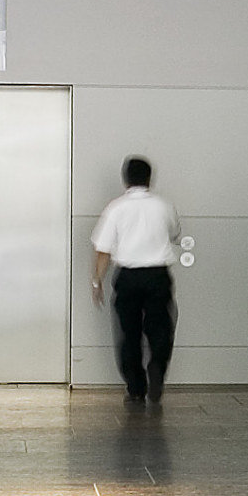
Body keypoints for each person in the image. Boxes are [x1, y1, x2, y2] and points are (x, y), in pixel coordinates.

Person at [90, 154, 181, 407]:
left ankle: (136, 387)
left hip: (128, 278)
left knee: (128, 334)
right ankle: (157, 371)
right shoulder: (164, 205)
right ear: (150, 178)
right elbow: (175, 233)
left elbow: (103, 250)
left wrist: (96, 281)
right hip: (157, 276)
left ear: (125, 179)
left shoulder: (116, 208)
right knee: (160, 328)